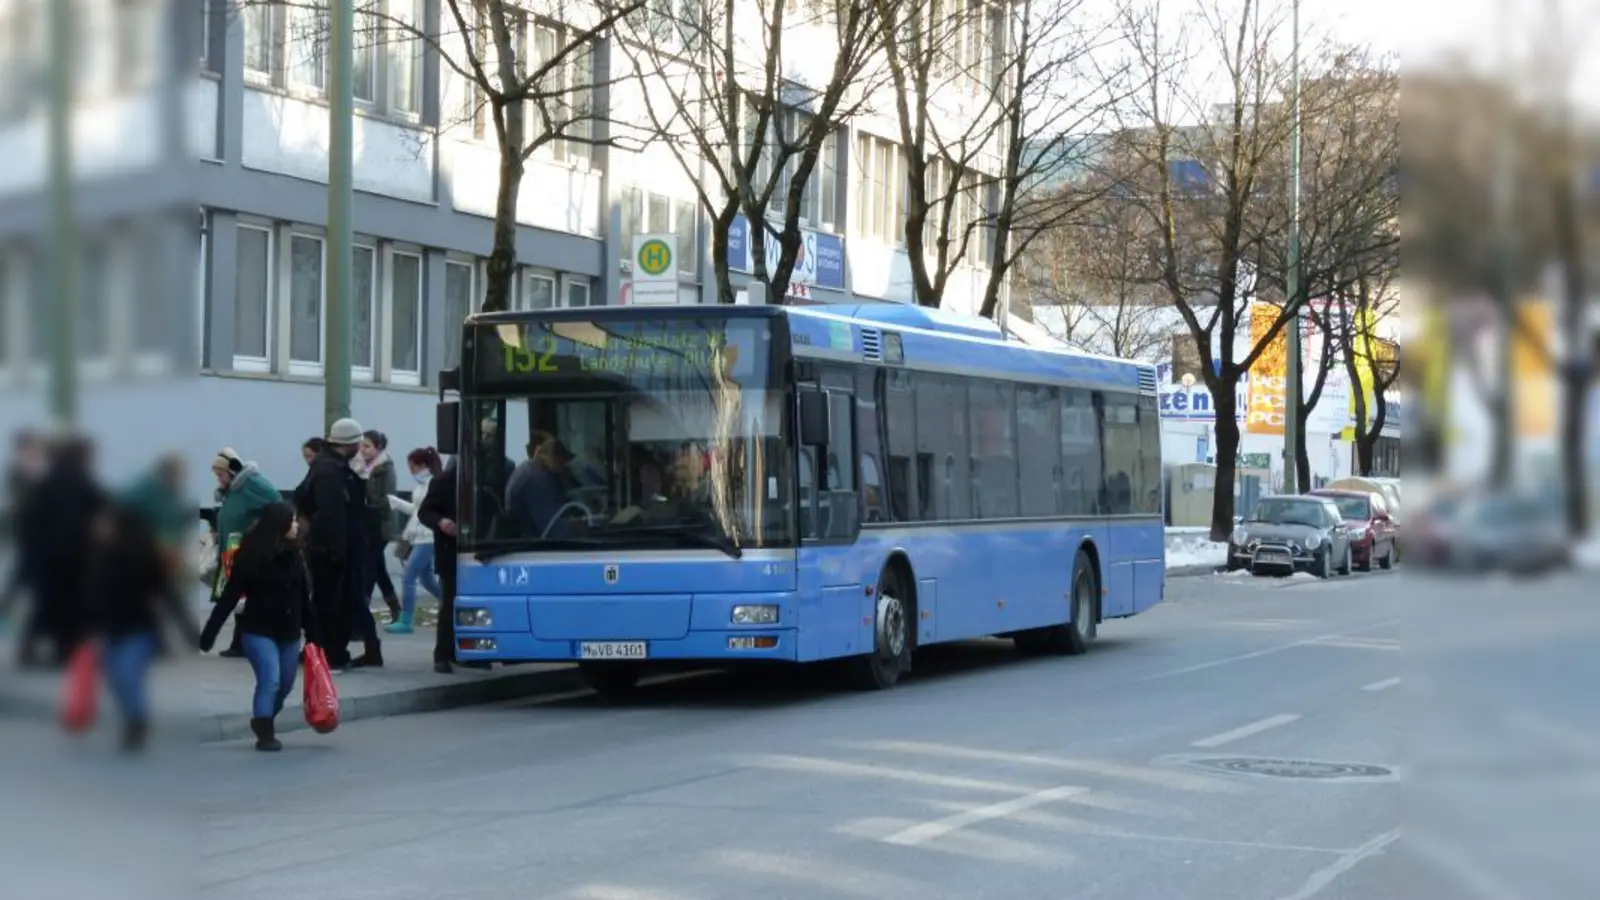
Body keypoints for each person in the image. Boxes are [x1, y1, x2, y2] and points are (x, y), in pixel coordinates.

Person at [202, 503, 317, 752]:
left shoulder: (295, 556)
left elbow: (303, 600)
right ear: (279, 525)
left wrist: (314, 636)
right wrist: (210, 633)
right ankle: (265, 733)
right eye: (292, 521)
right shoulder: (251, 556)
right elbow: (229, 596)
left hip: (289, 633)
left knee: (285, 684)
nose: (297, 525)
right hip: (258, 631)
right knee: (270, 679)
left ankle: (263, 719)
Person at [89, 491, 195, 753]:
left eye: (105, 523)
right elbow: (89, 593)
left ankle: (136, 722)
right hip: (110, 629)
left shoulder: (141, 557)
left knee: (128, 676)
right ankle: (132, 717)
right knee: (114, 679)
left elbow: (166, 592)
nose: (99, 527)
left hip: (137, 629)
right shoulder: (100, 555)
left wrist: (188, 631)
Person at [15, 436, 108, 667]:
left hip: (47, 555)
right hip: (72, 555)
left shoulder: (49, 481)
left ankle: (32, 650)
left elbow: (31, 518)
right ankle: (63, 651)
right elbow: (102, 506)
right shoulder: (80, 480)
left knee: (47, 605)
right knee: (70, 607)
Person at [293, 418, 372, 670]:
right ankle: (329, 653)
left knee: (328, 601)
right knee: (333, 603)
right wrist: (337, 549)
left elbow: (302, 495)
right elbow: (333, 513)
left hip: (328, 546)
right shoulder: (332, 470)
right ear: (349, 443)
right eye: (358, 443)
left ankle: (321, 649)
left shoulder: (324, 465)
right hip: (333, 548)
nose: (360, 447)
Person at [206, 448, 284, 658]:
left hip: (246, 552)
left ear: (232, 471)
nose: (218, 479)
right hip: (232, 550)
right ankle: (238, 642)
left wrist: (260, 533)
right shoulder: (234, 489)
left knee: (237, 598)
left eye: (220, 475)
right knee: (237, 599)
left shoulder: (253, 484)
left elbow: (277, 506)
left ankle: (234, 642)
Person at [386, 448, 442, 635]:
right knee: (426, 579)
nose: (410, 470)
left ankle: (407, 620)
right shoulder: (423, 484)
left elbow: (424, 511)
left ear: (422, 466)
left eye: (412, 466)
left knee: (409, 576)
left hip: (428, 536)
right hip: (420, 536)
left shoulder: (433, 484)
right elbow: (418, 509)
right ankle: (449, 602)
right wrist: (397, 503)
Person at [417, 455, 462, 674]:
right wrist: (441, 522)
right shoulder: (444, 482)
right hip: (450, 550)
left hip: (480, 549)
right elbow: (425, 512)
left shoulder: (490, 479)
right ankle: (443, 653)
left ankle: (464, 651)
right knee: (449, 601)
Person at [356, 430, 402, 622]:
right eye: (361, 446)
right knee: (377, 567)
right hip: (367, 521)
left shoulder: (385, 467)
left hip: (381, 523)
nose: (363, 450)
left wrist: (367, 497)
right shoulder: (361, 465)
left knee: (369, 565)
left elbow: (388, 499)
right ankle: (395, 607)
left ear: (379, 448)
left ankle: (361, 609)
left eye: (367, 446)